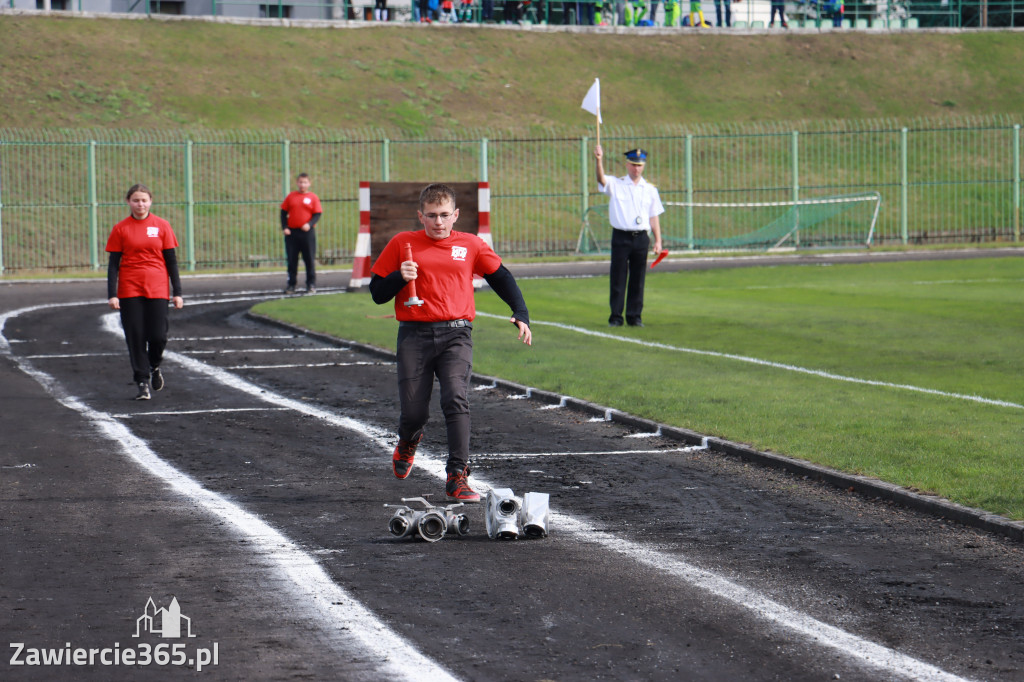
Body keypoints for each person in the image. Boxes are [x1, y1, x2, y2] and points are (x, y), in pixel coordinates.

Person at [369, 183, 532, 503]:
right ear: (420, 216)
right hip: (414, 335)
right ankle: (408, 440)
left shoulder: (471, 245)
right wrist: (398, 277)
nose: (438, 222)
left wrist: (520, 311)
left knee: (456, 398)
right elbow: (377, 294)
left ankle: (457, 475)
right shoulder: (403, 243)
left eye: (444, 215)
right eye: (431, 216)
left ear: (456, 215)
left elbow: (500, 276)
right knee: (414, 412)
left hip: (456, 334)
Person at [105, 184, 184, 401]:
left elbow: (171, 261)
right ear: (128, 202)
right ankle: (142, 382)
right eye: (136, 200)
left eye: (144, 200)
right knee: (135, 336)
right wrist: (112, 294)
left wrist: (177, 292)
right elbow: (113, 265)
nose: (140, 204)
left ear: (150, 201)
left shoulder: (162, 226)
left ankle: (154, 365)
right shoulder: (121, 228)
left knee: (158, 336)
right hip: (130, 289)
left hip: (157, 288)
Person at [594, 146, 664, 328]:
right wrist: (599, 160)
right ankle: (616, 316)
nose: (636, 169)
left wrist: (658, 240)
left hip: (641, 237)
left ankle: (635, 316)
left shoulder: (650, 190)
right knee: (618, 277)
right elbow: (601, 179)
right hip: (621, 236)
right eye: (633, 165)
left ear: (644, 166)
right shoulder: (617, 184)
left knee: (638, 279)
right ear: (627, 164)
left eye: (639, 165)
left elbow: (653, 216)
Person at [280, 172, 322, 295]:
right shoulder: (291, 196)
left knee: (309, 259)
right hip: (292, 233)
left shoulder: (313, 197)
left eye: (305, 182)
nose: (302, 184)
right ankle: (291, 284)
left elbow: (317, 214)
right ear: (297, 183)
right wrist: (285, 227)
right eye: (300, 182)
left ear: (309, 183)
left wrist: (309, 224)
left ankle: (311, 284)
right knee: (292, 260)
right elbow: (283, 212)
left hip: (307, 233)